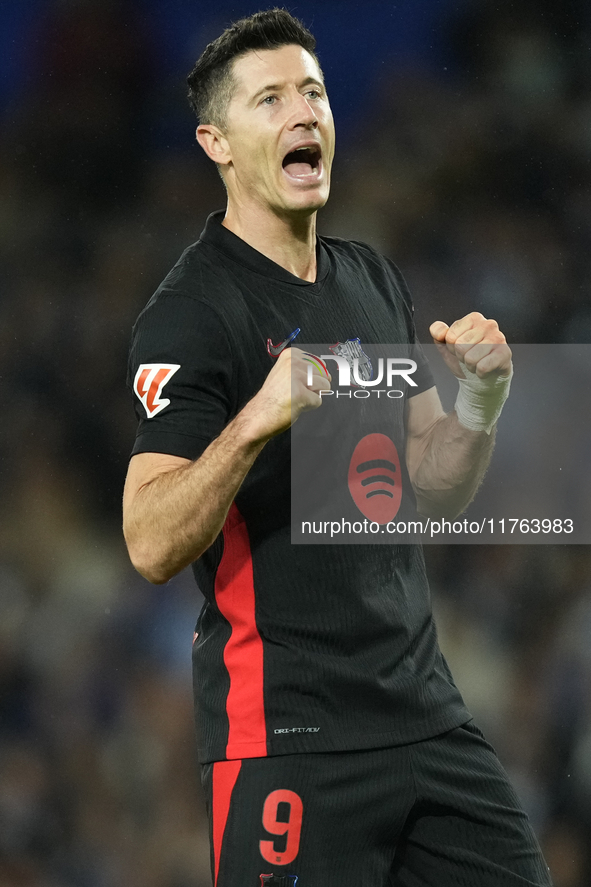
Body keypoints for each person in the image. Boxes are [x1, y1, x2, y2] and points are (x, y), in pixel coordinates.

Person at [123, 9, 552, 887]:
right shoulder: (192, 311)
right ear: (217, 141)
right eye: (270, 98)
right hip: (291, 738)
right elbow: (149, 539)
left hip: (424, 719)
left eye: (313, 92)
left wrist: (478, 401)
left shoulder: (369, 278)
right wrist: (255, 418)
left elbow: (429, 491)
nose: (303, 113)